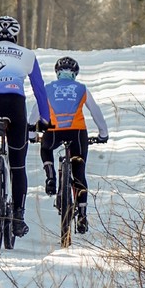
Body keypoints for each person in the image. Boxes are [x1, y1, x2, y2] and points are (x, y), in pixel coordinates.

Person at [0, 15, 51, 238]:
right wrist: (45, 119)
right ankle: (18, 219)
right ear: (15, 36)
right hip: (13, 103)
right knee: (17, 166)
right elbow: (39, 89)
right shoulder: (28, 54)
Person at [37, 56, 109, 234]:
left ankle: (50, 175)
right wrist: (103, 134)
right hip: (77, 133)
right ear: (75, 74)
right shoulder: (81, 89)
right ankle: (82, 215)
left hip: (53, 131)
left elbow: (36, 112)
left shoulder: (47, 89)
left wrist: (32, 134)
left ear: (57, 73)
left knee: (45, 148)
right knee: (79, 173)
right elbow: (96, 111)